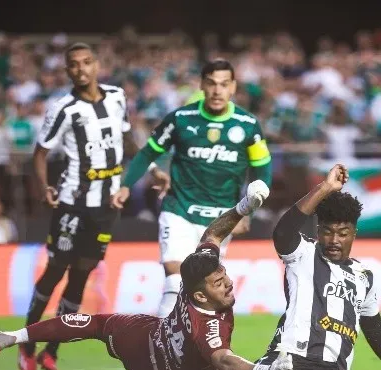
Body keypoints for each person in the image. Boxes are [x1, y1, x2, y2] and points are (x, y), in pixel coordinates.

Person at [0, 180, 296, 370]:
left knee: (97, 323)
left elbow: (213, 233)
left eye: (223, 274)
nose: (227, 283)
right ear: (199, 297)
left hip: (144, 341)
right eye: (218, 282)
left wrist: (243, 207)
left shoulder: (192, 280)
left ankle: (11, 338)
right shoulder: (208, 324)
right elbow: (223, 359)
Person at [185, 164, 381, 370]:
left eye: (343, 233)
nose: (334, 240)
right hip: (280, 365)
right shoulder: (303, 252)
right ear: (318, 230)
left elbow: (373, 324)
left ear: (354, 234)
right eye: (327, 232)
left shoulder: (364, 276)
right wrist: (325, 188)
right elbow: (283, 230)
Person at [112, 58, 273, 318]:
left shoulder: (247, 125)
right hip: (180, 210)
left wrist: (248, 212)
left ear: (232, 87)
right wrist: (126, 186)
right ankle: (159, 348)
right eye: (211, 83)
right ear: (202, 85)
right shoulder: (181, 119)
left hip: (221, 221)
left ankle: (201, 354)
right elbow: (146, 153)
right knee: (176, 283)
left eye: (223, 84)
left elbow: (263, 171)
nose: (217, 90)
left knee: (209, 294)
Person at [22, 42, 143, 370]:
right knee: (56, 270)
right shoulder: (63, 108)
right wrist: (45, 187)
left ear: (97, 64)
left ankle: (52, 349)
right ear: (67, 71)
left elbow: (128, 140)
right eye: (73, 65)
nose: (81, 69)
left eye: (86, 62)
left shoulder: (118, 97)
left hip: (107, 205)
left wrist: (152, 167)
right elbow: (40, 153)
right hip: (73, 202)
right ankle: (27, 341)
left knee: (81, 276)